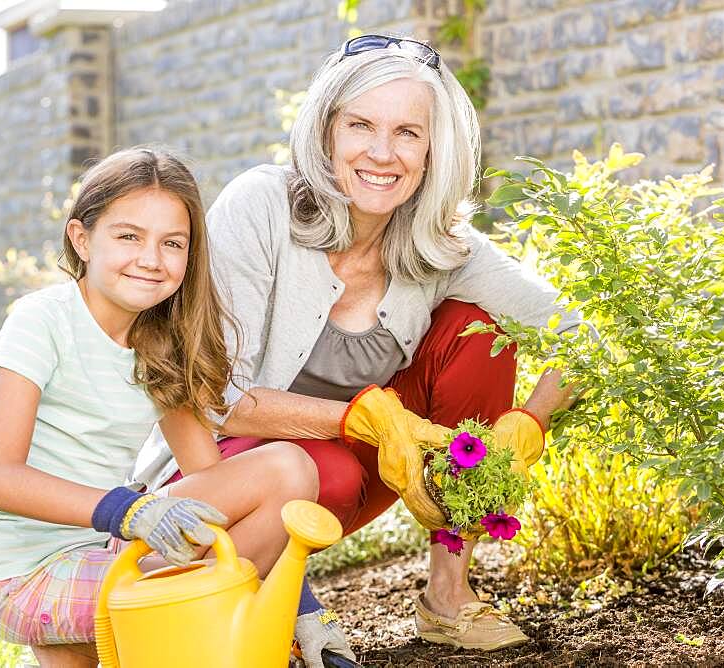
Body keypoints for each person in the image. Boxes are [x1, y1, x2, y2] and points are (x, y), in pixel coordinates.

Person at [134, 35, 585, 661]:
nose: (382, 152)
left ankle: (448, 597)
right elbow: (212, 399)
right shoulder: (261, 206)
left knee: (475, 333)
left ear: (434, 149)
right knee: (332, 470)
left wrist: (527, 423)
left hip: (367, 460)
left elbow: (580, 334)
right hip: (226, 466)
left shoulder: (444, 246)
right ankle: (271, 597)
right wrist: (356, 418)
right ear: (326, 133)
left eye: (408, 132)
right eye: (361, 125)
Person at [0, 147, 320, 668]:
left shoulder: (159, 341)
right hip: (27, 573)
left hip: (109, 552)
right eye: (129, 236)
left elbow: (213, 481)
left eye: (172, 243)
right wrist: (130, 510)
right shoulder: (42, 320)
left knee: (288, 467)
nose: (151, 258)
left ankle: (124, 639)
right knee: (190, 623)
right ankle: (154, 637)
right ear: (81, 239)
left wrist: (296, 598)